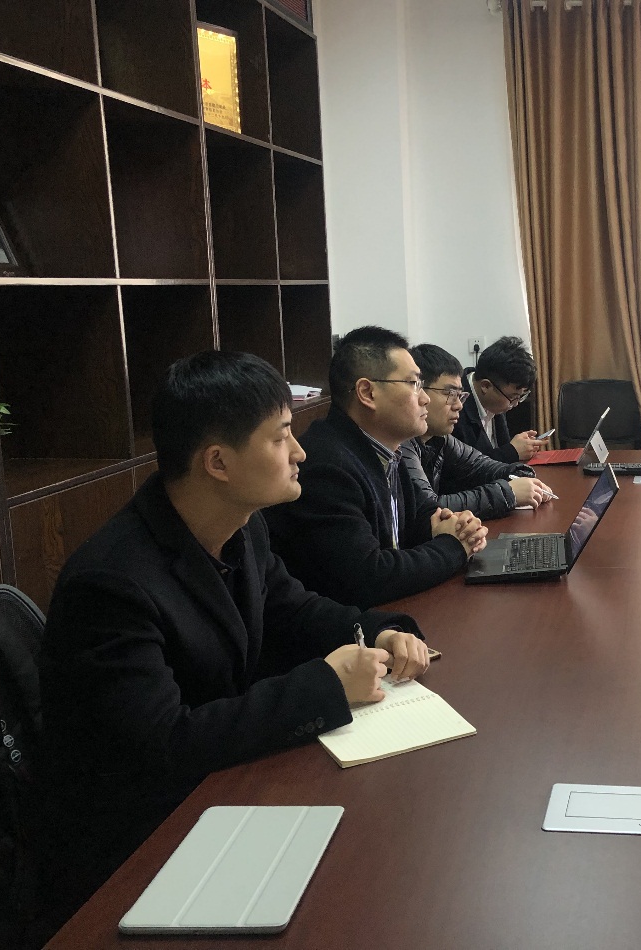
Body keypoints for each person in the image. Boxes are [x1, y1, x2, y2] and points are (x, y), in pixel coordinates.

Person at [35, 351, 429, 928]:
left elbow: (293, 608)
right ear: (218, 462)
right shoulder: (112, 583)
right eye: (281, 437)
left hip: (218, 792)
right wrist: (326, 684)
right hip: (138, 850)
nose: (300, 453)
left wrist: (381, 629)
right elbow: (164, 744)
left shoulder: (242, 529)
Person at [265, 327, 488, 609]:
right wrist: (454, 547)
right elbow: (369, 577)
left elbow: (419, 517)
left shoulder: (387, 449)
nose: (425, 398)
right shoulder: (327, 465)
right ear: (367, 392)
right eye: (413, 384)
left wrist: (456, 526)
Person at [407, 342, 556, 517]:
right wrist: (509, 493)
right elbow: (429, 508)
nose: (459, 405)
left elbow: (480, 465)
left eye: (460, 395)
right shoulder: (401, 444)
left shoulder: (440, 437)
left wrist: (521, 474)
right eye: (450, 394)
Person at [454, 335, 547, 463]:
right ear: (486, 386)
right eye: (512, 397)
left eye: (520, 396)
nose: (515, 404)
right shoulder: (455, 408)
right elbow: (465, 468)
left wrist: (521, 447)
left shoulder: (497, 397)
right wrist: (511, 452)